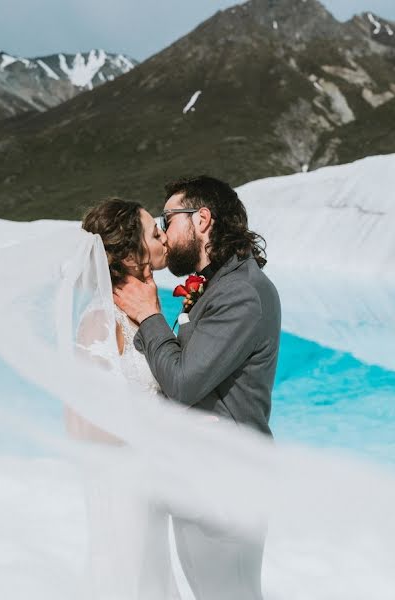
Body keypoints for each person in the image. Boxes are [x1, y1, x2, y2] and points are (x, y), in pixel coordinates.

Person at [114, 176, 281, 600]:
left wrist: (150, 315)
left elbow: (185, 382)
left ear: (202, 219)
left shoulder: (241, 292)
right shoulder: (218, 283)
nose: (164, 235)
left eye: (169, 219)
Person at [71, 198, 182, 600]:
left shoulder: (139, 312)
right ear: (133, 254)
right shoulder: (101, 319)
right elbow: (80, 423)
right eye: (155, 232)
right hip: (124, 484)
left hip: (150, 481)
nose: (164, 237)